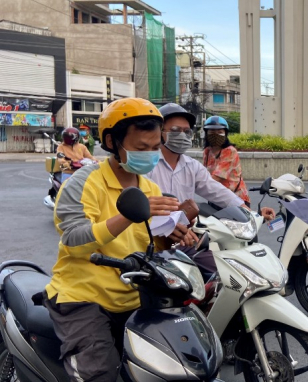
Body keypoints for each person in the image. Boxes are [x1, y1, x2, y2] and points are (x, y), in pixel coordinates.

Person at [44, 98, 195, 382]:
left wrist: (175, 237)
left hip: (135, 296)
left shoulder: (149, 187)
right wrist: (128, 215)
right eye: (141, 148)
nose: (150, 156)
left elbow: (150, 242)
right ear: (112, 141)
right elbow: (74, 240)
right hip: (83, 298)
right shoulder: (84, 182)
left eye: (154, 148)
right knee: (100, 374)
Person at [147, 105, 275, 277]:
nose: (182, 136)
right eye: (176, 130)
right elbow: (138, 207)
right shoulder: (147, 165)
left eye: (187, 131)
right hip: (151, 241)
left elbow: (216, 190)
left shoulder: (192, 165)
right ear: (159, 132)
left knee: (225, 276)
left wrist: (250, 212)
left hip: (185, 239)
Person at [202, 116, 251, 207]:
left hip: (235, 198)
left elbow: (218, 177)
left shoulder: (230, 151)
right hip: (216, 198)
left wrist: (196, 182)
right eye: (212, 132)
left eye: (220, 132)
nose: (216, 135)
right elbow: (204, 173)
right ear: (206, 133)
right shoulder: (207, 151)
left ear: (225, 134)